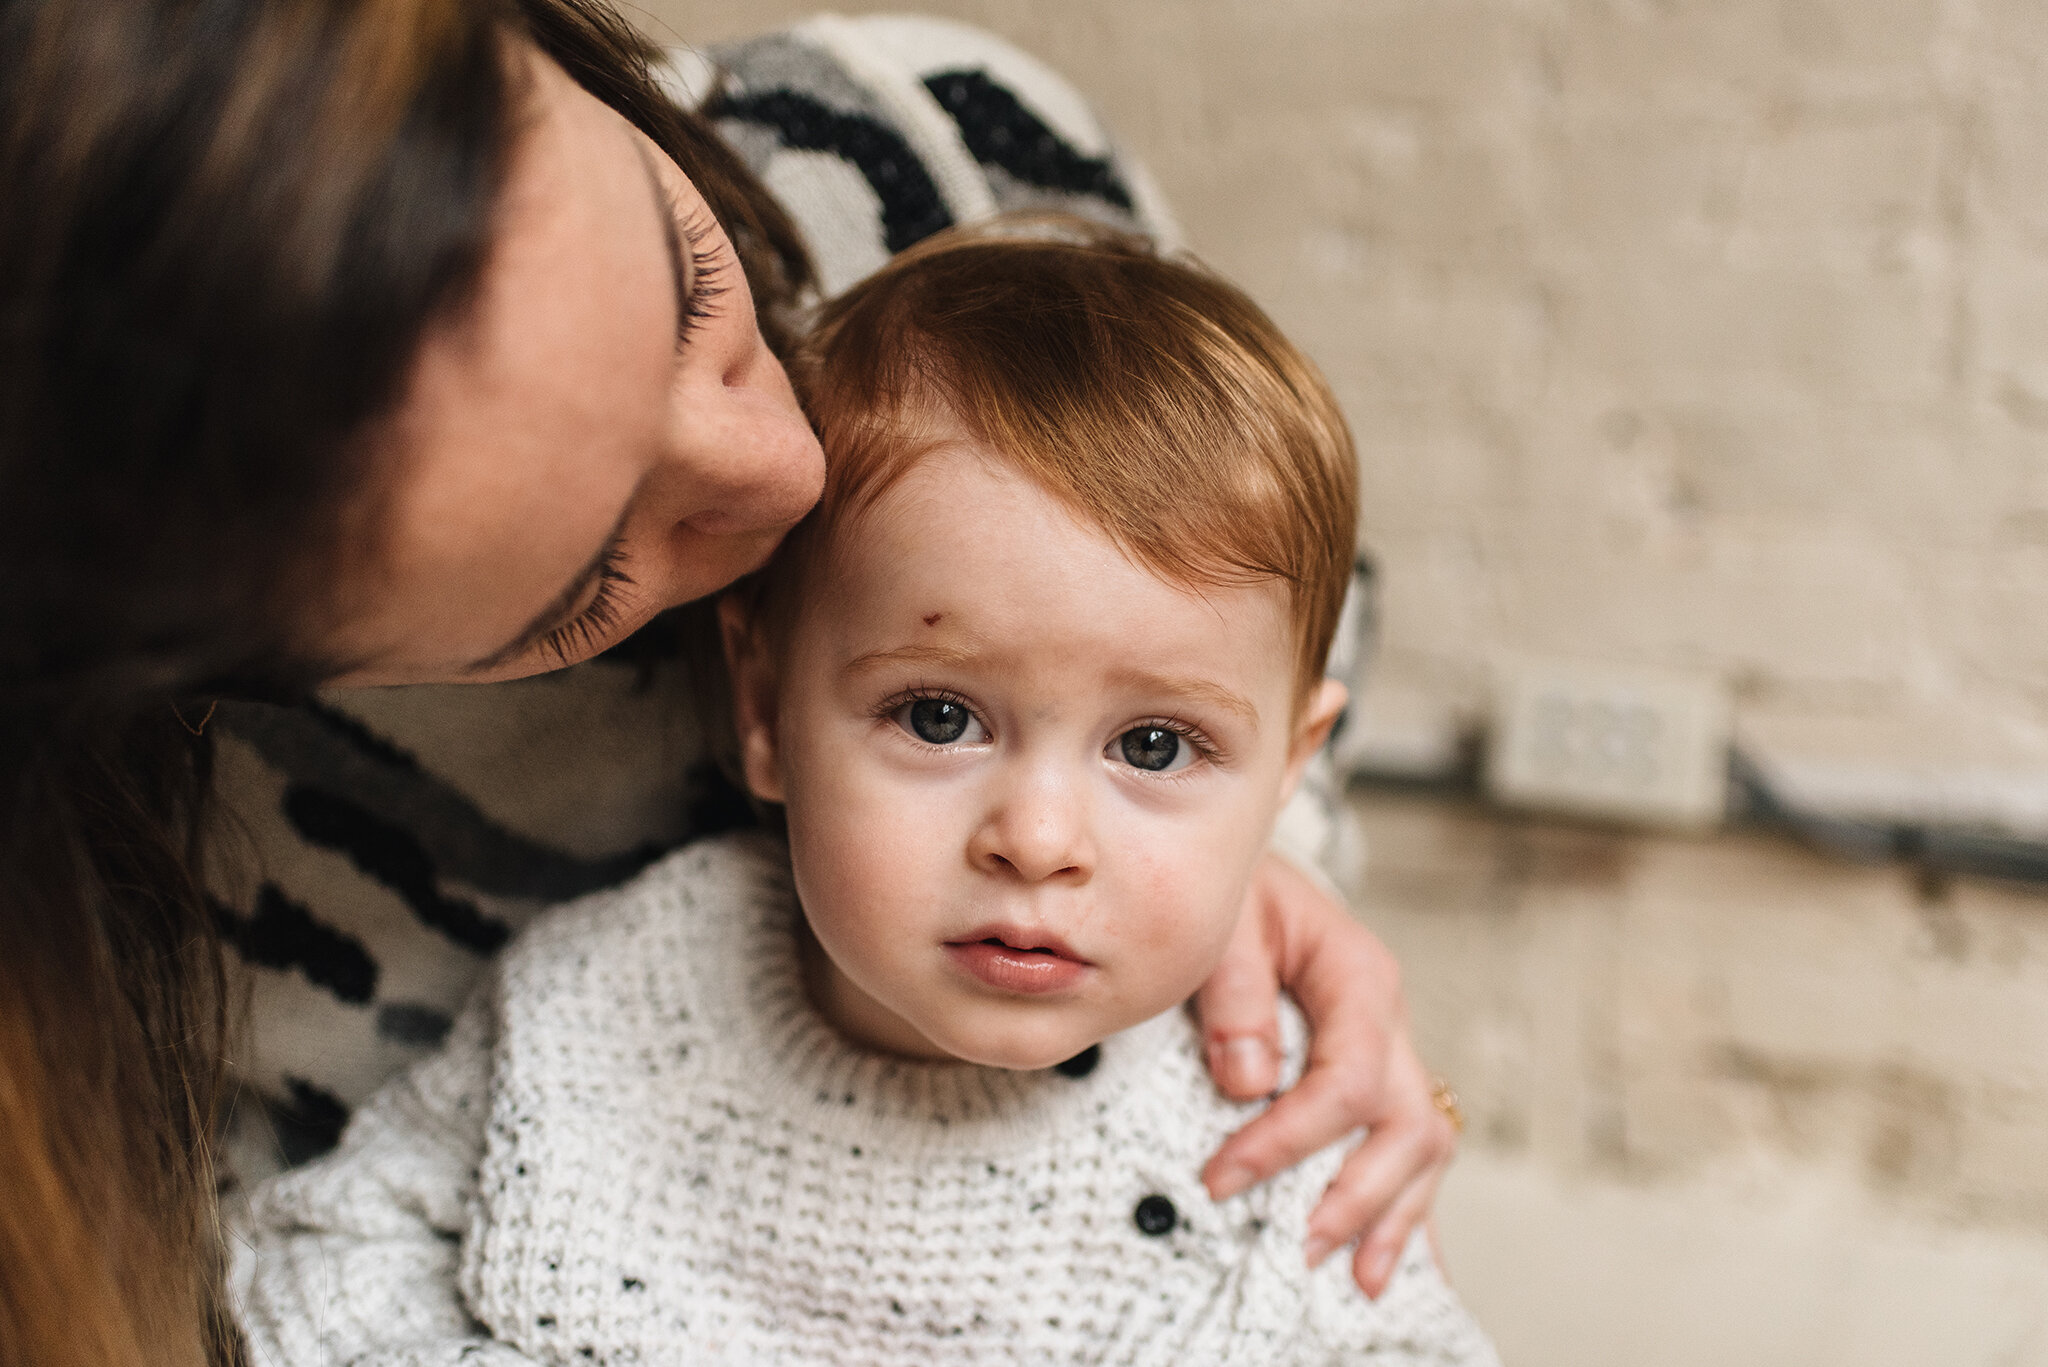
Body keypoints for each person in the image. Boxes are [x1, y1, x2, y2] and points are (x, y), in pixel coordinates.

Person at [0, 6, 1456, 1366]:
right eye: (584, 577)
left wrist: (1270, 849)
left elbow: (1266, 561)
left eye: (696, 296)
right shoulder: (583, 1010)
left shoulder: (929, 146)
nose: (790, 475)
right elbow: (321, 1262)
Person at [233, 223, 1498, 1367]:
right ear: (762, 708)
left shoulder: (1277, 1112)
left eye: (1156, 746)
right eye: (938, 716)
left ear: (1289, 770)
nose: (1039, 839)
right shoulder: (610, 1001)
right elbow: (314, 1267)